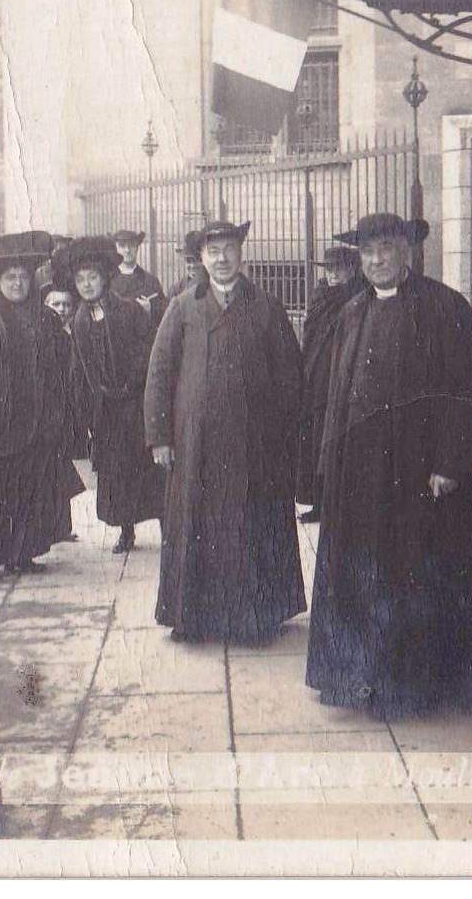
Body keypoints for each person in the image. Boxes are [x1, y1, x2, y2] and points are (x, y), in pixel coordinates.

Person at [306, 212, 472, 720]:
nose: (377, 260)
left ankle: (415, 688)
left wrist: (451, 464)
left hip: (421, 478)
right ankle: (362, 680)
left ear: (407, 251)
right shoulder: (352, 311)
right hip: (361, 479)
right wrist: (331, 464)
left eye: (386, 248)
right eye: (367, 251)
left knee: (418, 582)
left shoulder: (444, 307)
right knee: (367, 580)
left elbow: (469, 390)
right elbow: (337, 395)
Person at [144, 220, 306, 644]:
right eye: (213, 251)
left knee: (252, 526)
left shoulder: (267, 307)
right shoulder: (182, 308)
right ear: (200, 259)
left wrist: (285, 437)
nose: (221, 258)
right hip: (196, 445)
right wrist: (160, 437)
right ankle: (192, 616)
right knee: (198, 525)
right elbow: (160, 374)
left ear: (241, 253)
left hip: (256, 446)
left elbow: (290, 377)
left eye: (229, 249)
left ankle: (257, 617)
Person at [0, 231, 74, 576]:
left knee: (30, 490)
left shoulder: (44, 318)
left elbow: (60, 365)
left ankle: (23, 553)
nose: (17, 284)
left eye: (23, 277)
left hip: (37, 421)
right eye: (10, 278)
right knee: (1, 491)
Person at [66, 237, 159, 553]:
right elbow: (80, 369)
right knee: (117, 473)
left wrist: (134, 380)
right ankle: (126, 529)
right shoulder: (79, 320)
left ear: (105, 279)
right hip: (107, 409)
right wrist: (87, 410)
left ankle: (164, 523)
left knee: (147, 467)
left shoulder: (127, 309)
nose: (87, 284)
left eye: (92, 278)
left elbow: (148, 346)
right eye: (80, 280)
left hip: (134, 402)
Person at [295, 245, 367, 520]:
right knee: (316, 442)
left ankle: (342, 507)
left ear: (352, 269)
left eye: (339, 268)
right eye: (329, 268)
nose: (333, 274)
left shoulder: (358, 297)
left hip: (344, 382)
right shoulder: (320, 297)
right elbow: (310, 337)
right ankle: (319, 504)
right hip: (317, 381)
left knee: (340, 444)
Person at [109, 227, 165, 325]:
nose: (127, 250)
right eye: (122, 246)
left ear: (137, 247)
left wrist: (149, 310)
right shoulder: (108, 281)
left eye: (131, 245)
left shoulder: (150, 281)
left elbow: (164, 317)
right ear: (115, 249)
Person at [164, 230, 207, 302]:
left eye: (199, 260)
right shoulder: (176, 290)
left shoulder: (217, 287)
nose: (193, 265)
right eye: (189, 260)